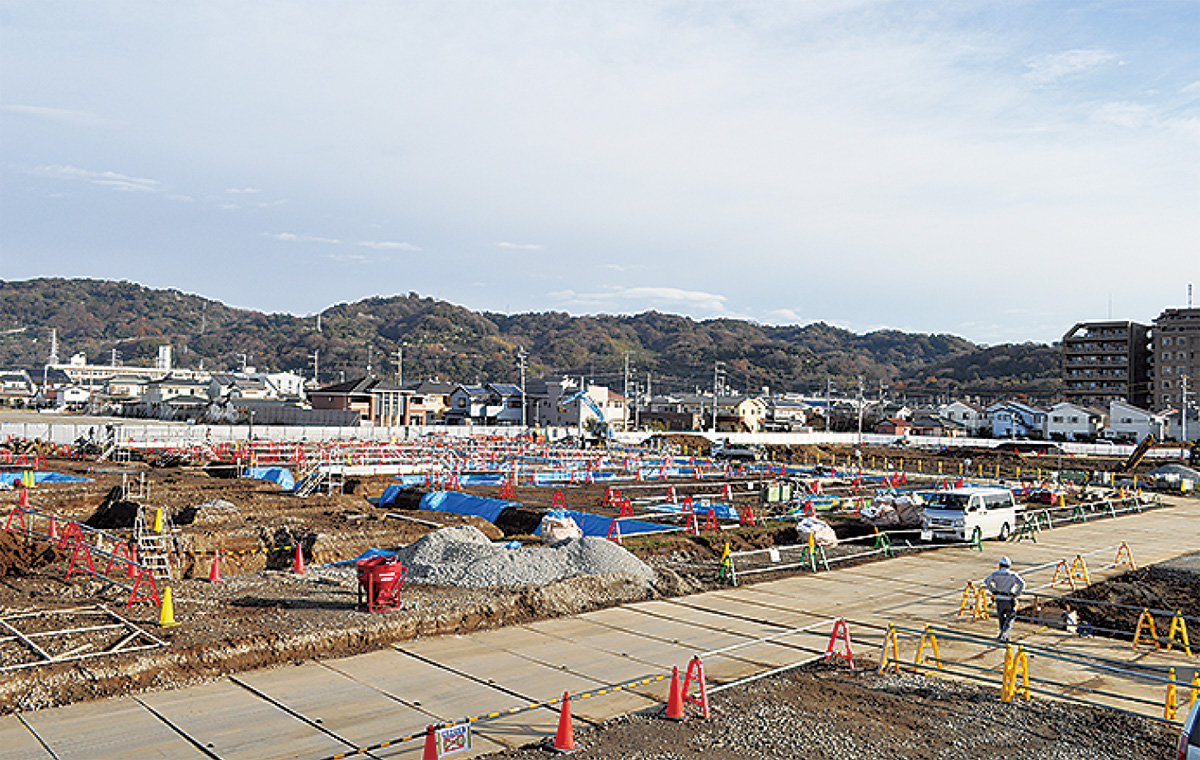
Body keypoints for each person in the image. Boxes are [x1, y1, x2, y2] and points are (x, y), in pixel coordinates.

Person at [984, 556, 1025, 642]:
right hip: (1009, 598)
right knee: (1010, 617)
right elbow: (1022, 583)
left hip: (999, 598)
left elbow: (987, 581)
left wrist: (993, 590)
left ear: (999, 565)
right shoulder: (1012, 575)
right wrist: (1017, 593)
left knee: (1001, 617)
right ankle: (1004, 634)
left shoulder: (996, 574)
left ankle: (1003, 634)